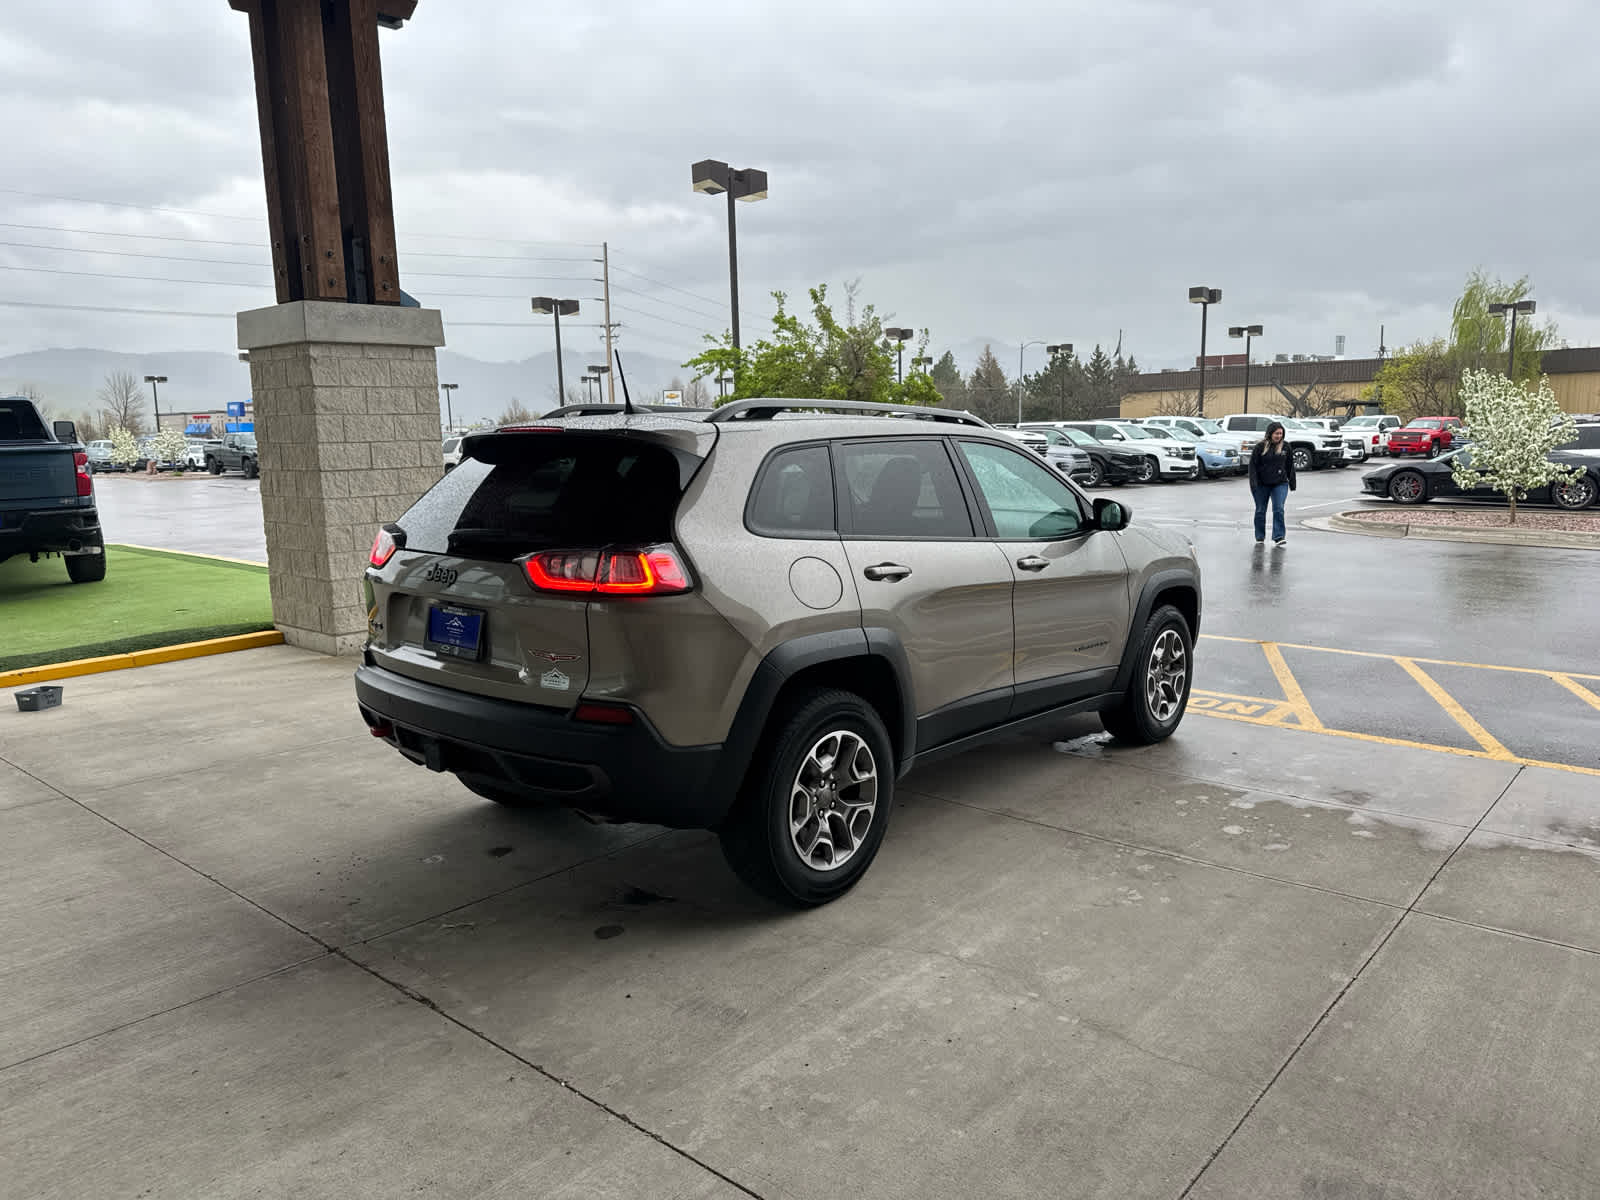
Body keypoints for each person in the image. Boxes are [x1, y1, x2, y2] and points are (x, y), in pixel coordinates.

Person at [1248, 421, 1296, 546]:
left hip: (1280, 483)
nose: (1278, 436)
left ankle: (1279, 536)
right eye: (1276, 433)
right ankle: (1260, 536)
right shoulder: (1260, 447)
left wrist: (1292, 483)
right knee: (1260, 510)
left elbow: (1290, 466)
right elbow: (1253, 466)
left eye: (1281, 433)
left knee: (1278, 509)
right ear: (1270, 434)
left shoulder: (1286, 447)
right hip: (1261, 484)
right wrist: (1253, 483)